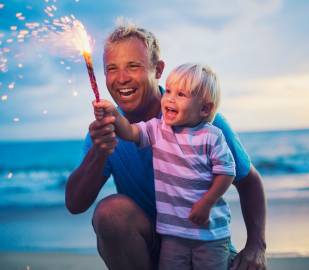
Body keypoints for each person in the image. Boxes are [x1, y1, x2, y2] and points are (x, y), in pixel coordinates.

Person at [65, 23, 267, 270]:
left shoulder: (202, 122)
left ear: (157, 69)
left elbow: (249, 181)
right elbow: (75, 204)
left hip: (203, 244)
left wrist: (257, 245)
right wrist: (99, 151)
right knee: (111, 213)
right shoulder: (107, 129)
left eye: (133, 66)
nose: (121, 79)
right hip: (148, 244)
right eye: (111, 69)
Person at [93, 63, 236, 270]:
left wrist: (207, 202)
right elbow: (130, 132)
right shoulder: (158, 129)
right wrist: (114, 114)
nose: (169, 98)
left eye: (181, 94)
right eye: (168, 91)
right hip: (172, 234)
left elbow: (226, 172)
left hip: (209, 235)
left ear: (204, 108)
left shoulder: (211, 136)